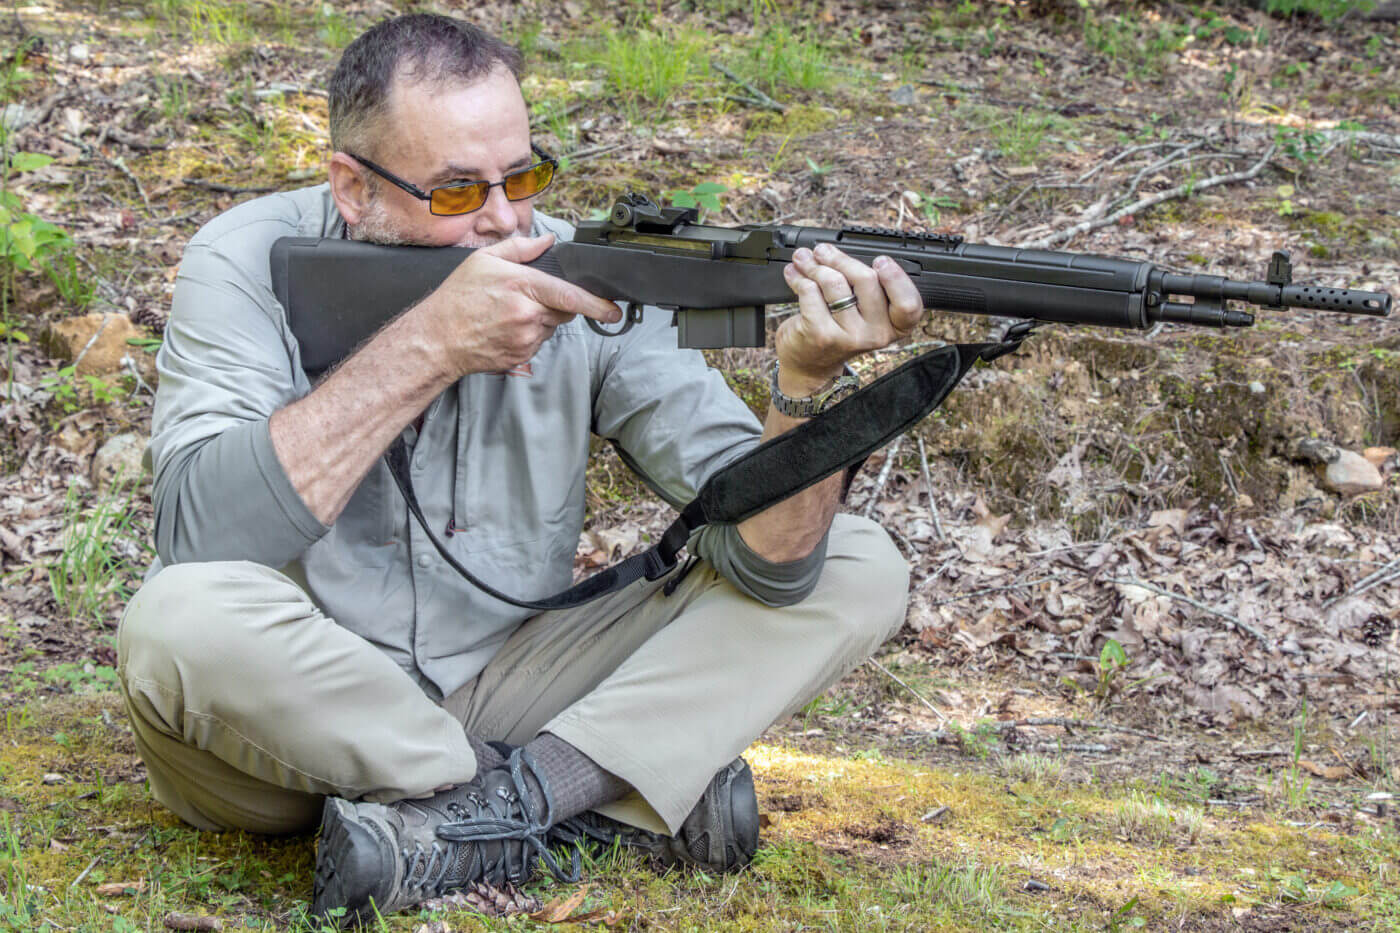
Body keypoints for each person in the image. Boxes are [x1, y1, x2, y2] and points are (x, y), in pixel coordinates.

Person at [116, 13, 921, 926]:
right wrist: (428, 345)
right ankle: (594, 790)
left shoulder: (582, 272)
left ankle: (488, 815)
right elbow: (204, 533)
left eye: (523, 177)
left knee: (857, 562)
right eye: (458, 191)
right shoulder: (242, 261)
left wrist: (806, 387)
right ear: (353, 187)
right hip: (285, 729)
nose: (505, 220)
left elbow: (765, 560)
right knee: (175, 619)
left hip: (512, 684)